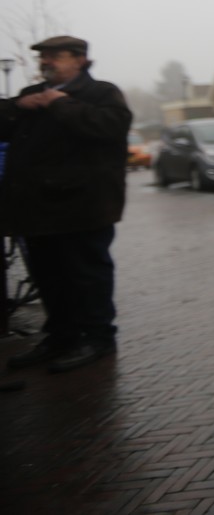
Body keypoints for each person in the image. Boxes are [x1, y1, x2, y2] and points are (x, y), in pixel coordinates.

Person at [0, 36, 132, 373]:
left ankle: (97, 338)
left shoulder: (101, 93)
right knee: (49, 278)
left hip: (83, 208)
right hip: (37, 209)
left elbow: (112, 127)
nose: (46, 62)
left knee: (87, 275)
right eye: (43, 57)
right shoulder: (32, 95)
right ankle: (61, 336)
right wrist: (17, 107)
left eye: (54, 56)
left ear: (80, 60)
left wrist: (61, 104)